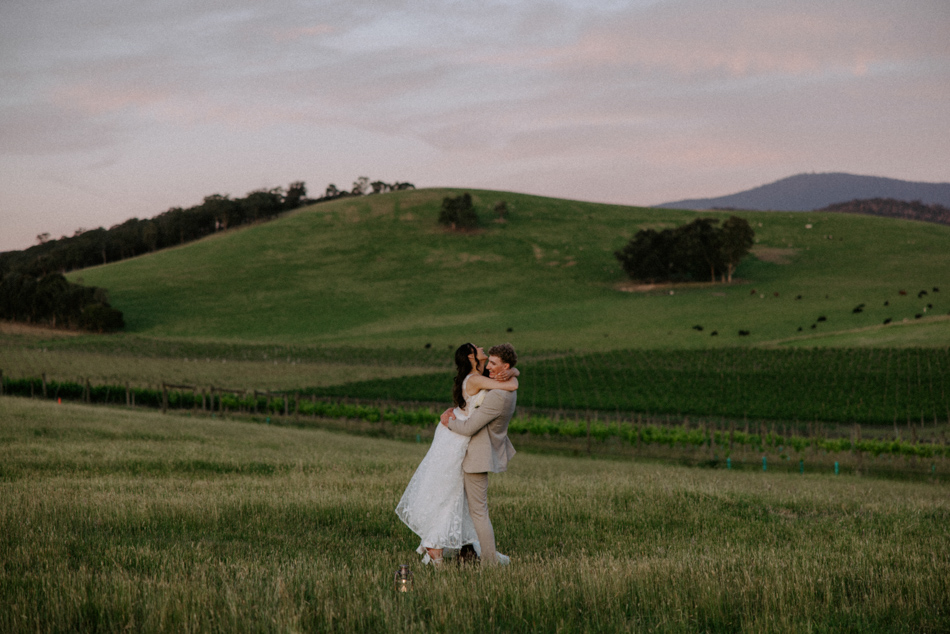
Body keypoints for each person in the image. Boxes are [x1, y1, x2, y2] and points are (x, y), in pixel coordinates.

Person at [395, 342, 518, 566]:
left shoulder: (477, 376)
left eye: (493, 361)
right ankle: (439, 545)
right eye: (478, 350)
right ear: (471, 357)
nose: (482, 350)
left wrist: (510, 373)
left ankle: (441, 546)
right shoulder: (476, 379)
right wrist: (512, 375)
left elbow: (507, 382)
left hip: (461, 438)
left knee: (454, 495)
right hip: (458, 435)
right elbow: (510, 385)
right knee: (451, 494)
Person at [441, 342, 518, 566]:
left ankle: (489, 562)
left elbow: (468, 428)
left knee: (479, 513)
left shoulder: (498, 396)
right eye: (489, 362)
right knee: (465, 507)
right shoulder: (502, 386)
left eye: (494, 364)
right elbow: (511, 378)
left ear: (505, 365)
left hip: (477, 456)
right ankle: (466, 552)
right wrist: (512, 372)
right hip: (471, 453)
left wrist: (449, 421)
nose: (490, 367)